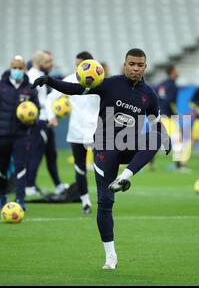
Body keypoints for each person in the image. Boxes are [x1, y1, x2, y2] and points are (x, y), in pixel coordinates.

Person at [33, 48, 171, 270]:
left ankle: (125, 177)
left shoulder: (149, 95)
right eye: (131, 64)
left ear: (145, 67)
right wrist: (51, 81)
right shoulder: (110, 83)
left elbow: (155, 120)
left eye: (140, 65)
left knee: (155, 138)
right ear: (124, 64)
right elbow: (76, 88)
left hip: (128, 145)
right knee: (105, 203)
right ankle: (111, 257)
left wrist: (165, 135)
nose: (135, 68)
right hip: (104, 147)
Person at [0, 56, 39, 211]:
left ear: (25, 69)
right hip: (2, 135)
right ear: (10, 67)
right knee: (2, 167)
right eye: (15, 67)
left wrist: (31, 121)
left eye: (20, 68)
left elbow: (36, 111)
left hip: (22, 135)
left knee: (22, 167)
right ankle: (2, 196)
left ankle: (20, 199)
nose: (17, 71)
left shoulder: (30, 88)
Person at [46, 51, 99, 214]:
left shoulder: (100, 81)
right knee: (80, 168)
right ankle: (86, 203)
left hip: (98, 131)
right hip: (76, 131)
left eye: (80, 65)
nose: (77, 67)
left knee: (103, 168)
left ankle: (104, 201)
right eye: (76, 64)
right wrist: (51, 116)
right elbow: (50, 98)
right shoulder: (70, 79)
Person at [26, 50, 67, 197]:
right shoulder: (32, 76)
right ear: (39, 62)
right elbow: (36, 101)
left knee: (51, 154)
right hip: (40, 121)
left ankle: (58, 185)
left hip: (45, 121)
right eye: (48, 62)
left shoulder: (38, 75)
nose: (51, 64)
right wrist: (52, 110)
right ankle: (29, 185)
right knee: (36, 154)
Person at [154, 65, 186, 170]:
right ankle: (178, 165)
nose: (178, 72)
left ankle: (148, 163)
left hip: (159, 115)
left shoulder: (161, 84)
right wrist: (176, 114)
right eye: (176, 70)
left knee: (156, 140)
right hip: (169, 117)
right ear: (172, 72)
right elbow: (171, 102)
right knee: (177, 139)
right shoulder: (173, 86)